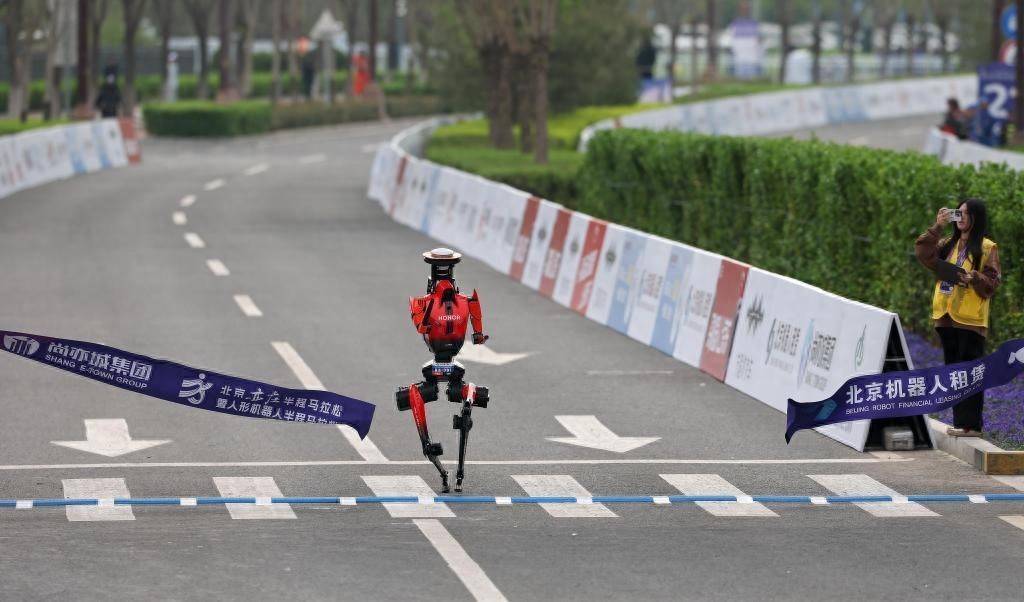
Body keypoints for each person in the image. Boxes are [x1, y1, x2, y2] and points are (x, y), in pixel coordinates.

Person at [915, 199, 1001, 437]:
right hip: (945, 316)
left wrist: (975, 277)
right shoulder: (947, 243)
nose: (960, 217)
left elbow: (993, 282)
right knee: (954, 372)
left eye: (965, 214)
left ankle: (971, 425)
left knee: (970, 372)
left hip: (970, 320)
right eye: (958, 213)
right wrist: (937, 226)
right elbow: (923, 252)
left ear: (976, 217)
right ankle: (961, 423)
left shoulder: (987, 247)